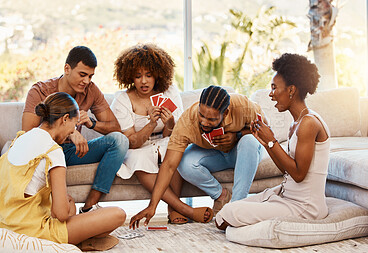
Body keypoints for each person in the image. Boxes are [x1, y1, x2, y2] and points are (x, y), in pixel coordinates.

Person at [0, 92, 126, 250]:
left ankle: (77, 240)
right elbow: (61, 214)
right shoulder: (53, 151)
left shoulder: (20, 139)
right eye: (74, 125)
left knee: (70, 207)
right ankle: (74, 243)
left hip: (4, 224)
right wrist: (67, 205)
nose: (73, 131)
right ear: (65, 119)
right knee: (118, 214)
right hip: (33, 232)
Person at [215, 53, 330, 230]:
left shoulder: (308, 123)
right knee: (224, 214)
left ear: (291, 90)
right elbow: (286, 169)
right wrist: (264, 141)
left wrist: (272, 141)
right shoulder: (297, 122)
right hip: (287, 196)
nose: (271, 94)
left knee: (227, 217)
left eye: (275, 88)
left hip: (305, 207)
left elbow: (299, 175)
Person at [129, 85, 264, 229]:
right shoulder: (187, 121)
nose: (204, 122)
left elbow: (265, 131)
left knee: (249, 141)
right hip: (216, 155)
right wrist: (153, 206)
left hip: (243, 153)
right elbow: (168, 166)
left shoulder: (242, 106)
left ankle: (237, 207)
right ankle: (221, 196)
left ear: (225, 114)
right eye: (202, 115)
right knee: (184, 162)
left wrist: (237, 135)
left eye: (211, 119)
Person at [22, 46, 129, 213]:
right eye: (82, 74)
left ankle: (89, 207)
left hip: (71, 151)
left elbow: (115, 128)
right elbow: (27, 135)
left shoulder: (91, 90)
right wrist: (71, 131)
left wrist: (92, 124)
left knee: (120, 140)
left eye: (90, 76)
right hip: (45, 152)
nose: (86, 81)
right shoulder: (41, 91)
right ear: (67, 69)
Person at [111, 43, 210, 224]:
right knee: (137, 158)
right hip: (138, 146)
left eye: (149, 75)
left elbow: (172, 135)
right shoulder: (122, 100)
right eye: (138, 76)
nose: (144, 81)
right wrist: (151, 123)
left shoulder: (169, 91)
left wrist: (170, 123)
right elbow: (132, 142)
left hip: (165, 140)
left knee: (174, 148)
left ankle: (172, 209)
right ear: (129, 76)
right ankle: (184, 208)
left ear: (158, 73)